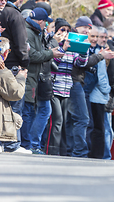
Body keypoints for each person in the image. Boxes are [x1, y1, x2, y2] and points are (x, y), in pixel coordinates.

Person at [68, 16, 114, 158]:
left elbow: (82, 62)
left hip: (80, 84)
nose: (89, 34)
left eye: (90, 30)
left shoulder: (85, 43)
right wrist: (100, 56)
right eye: (87, 30)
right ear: (77, 27)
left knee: (81, 121)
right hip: (76, 84)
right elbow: (81, 63)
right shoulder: (75, 39)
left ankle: (77, 151)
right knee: (83, 120)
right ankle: (79, 151)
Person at [24, 8, 63, 154]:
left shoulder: (36, 32)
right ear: (40, 21)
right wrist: (51, 53)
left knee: (33, 111)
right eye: (46, 22)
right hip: (30, 77)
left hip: (37, 78)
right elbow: (33, 55)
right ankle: (29, 145)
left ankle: (31, 144)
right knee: (28, 111)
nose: (46, 25)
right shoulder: (29, 32)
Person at [0, 0, 30, 153]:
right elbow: (21, 44)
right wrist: (24, 65)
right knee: (13, 103)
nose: (3, 2)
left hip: (5, 62)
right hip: (11, 66)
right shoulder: (14, 14)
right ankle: (11, 144)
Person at [46, 18, 73, 155]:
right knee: (56, 121)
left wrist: (83, 51)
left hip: (66, 88)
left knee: (63, 122)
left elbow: (80, 63)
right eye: (62, 30)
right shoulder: (53, 43)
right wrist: (63, 48)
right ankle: (52, 150)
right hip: (54, 87)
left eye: (68, 31)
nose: (65, 33)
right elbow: (52, 62)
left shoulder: (71, 46)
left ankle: (62, 151)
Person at [85, 26, 112, 159]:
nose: (100, 39)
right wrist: (108, 90)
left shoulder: (98, 51)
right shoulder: (98, 53)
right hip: (97, 96)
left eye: (103, 37)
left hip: (97, 96)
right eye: (98, 36)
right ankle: (97, 156)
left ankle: (97, 155)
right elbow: (101, 77)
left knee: (98, 127)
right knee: (99, 128)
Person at [0, 37, 28, 153]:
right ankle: (11, 145)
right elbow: (16, 93)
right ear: (6, 53)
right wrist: (21, 77)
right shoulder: (2, 72)